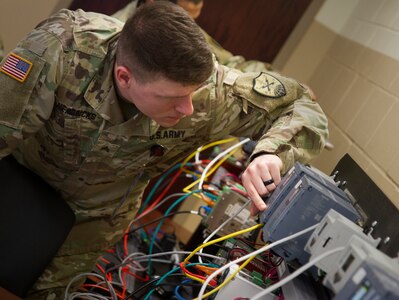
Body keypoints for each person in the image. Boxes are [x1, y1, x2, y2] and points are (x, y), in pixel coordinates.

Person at [0, 2, 328, 298]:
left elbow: (302, 103)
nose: (187, 109)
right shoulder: (63, 48)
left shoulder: (208, 95)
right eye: (171, 98)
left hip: (95, 217)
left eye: (192, 94)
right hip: (21, 178)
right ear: (124, 77)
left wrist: (270, 152)